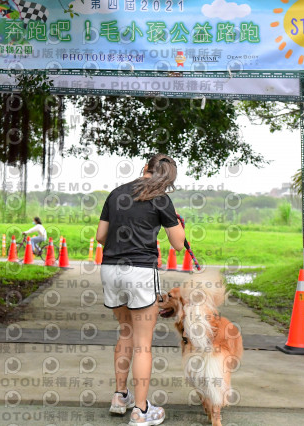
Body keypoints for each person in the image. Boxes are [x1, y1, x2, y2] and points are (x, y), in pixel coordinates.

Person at [96, 154, 185, 425]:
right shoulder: (161, 199)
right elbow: (178, 244)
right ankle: (142, 410)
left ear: (144, 168)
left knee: (125, 332)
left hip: (111, 269)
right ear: (167, 177)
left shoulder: (116, 194)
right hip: (140, 272)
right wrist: (177, 223)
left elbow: (101, 237)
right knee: (143, 345)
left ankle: (120, 396)